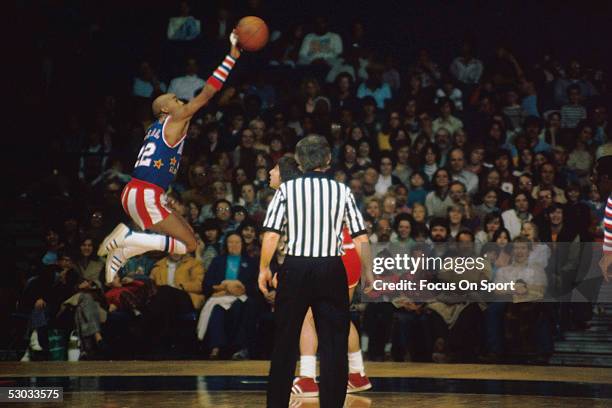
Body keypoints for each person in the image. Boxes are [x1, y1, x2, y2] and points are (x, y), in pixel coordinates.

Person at [98, 33, 241, 283]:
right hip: (146, 193)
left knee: (189, 244)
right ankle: (128, 239)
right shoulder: (175, 120)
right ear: (165, 110)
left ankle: (124, 252)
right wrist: (231, 56)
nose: (180, 100)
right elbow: (207, 93)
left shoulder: (153, 129)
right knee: (188, 244)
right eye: (175, 99)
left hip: (137, 192)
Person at [260, 135, 370, 408]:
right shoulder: (342, 191)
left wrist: (264, 267)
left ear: (298, 161)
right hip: (331, 268)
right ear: (328, 160)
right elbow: (360, 237)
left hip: (295, 268)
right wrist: (368, 271)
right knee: (334, 343)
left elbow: (272, 234)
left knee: (285, 341)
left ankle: (276, 404)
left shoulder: (286, 191)